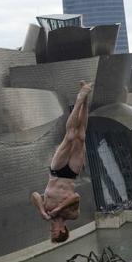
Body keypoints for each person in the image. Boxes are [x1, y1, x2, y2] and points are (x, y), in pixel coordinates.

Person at [31, 81, 93, 243]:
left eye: (52, 233)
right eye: (55, 233)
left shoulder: (46, 212)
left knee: (70, 136)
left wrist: (42, 211)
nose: (52, 231)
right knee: (80, 136)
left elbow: (35, 195)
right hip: (72, 174)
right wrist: (59, 208)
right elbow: (76, 196)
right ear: (63, 230)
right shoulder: (72, 215)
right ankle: (85, 99)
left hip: (56, 171)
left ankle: (80, 99)